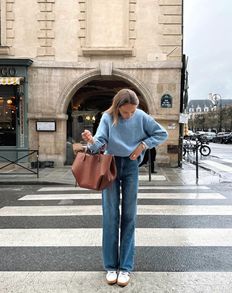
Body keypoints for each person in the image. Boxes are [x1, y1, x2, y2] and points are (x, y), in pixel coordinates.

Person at [73, 88, 168, 287]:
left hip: (131, 166)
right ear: (117, 107)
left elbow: (162, 133)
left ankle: (125, 268)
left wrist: (143, 145)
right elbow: (99, 144)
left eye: (132, 111)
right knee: (110, 215)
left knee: (129, 216)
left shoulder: (141, 116)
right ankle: (110, 266)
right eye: (126, 112)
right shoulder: (107, 117)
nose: (129, 115)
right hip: (110, 165)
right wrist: (91, 141)